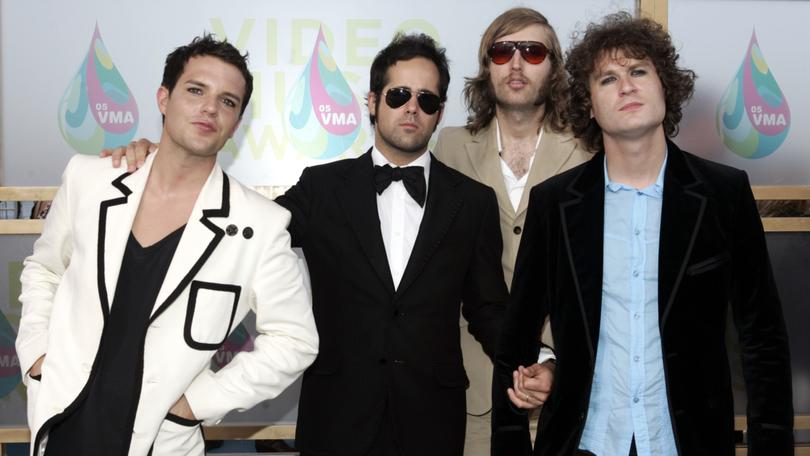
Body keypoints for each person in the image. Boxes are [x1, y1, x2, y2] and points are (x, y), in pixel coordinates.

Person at [104, 33, 508, 456]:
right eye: (399, 94)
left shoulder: (473, 202)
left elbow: (487, 309)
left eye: (427, 100)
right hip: (336, 414)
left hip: (432, 419)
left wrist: (531, 358)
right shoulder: (322, 188)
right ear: (372, 101)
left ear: (439, 113)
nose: (411, 108)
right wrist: (165, 160)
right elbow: (241, 231)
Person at [492, 12, 793, 456]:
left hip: (689, 443)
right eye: (607, 79)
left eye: (638, 71)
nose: (627, 86)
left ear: (665, 88)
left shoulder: (723, 194)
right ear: (589, 105)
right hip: (585, 443)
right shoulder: (554, 204)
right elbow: (515, 341)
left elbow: (763, 338)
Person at [16, 35, 318, 456]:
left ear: (236, 123)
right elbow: (45, 269)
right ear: (163, 98)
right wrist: (35, 354)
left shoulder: (260, 224)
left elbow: (295, 339)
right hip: (62, 425)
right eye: (196, 90)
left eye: (228, 102)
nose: (210, 108)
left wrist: (197, 404)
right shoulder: (90, 179)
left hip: (160, 441)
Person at [433, 9, 593, 454]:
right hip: (475, 390)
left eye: (533, 51)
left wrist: (556, 361)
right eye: (503, 52)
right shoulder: (449, 146)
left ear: (555, 68)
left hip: (570, 387)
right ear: (487, 67)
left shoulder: (590, 149)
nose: (517, 63)